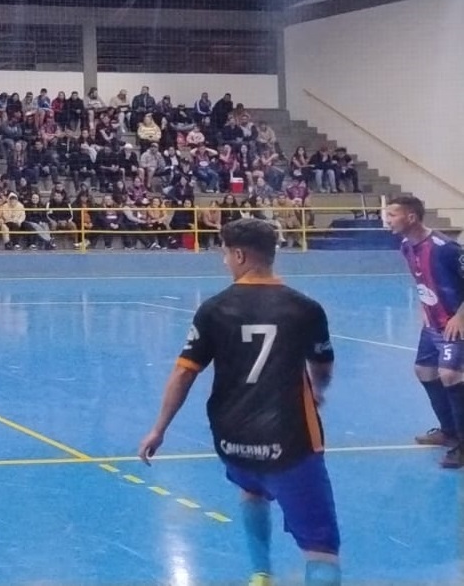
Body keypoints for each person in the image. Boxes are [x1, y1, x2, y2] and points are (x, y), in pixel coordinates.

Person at [138, 219, 340, 586]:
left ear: (240, 254)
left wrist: (159, 428)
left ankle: (260, 573)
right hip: (291, 441)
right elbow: (322, 365)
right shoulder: (306, 308)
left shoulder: (214, 309)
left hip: (232, 438)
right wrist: (319, 391)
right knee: (321, 551)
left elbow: (184, 373)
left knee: (251, 490)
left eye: (225, 254)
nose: (224, 261)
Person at [385, 194, 464, 468]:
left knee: (451, 375)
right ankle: (448, 430)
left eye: (392, 215)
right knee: (425, 370)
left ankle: (462, 445)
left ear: (411, 217)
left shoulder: (446, 248)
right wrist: (424, 308)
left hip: (455, 323)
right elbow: (422, 279)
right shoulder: (406, 246)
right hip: (432, 322)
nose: (387, 221)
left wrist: (459, 316)